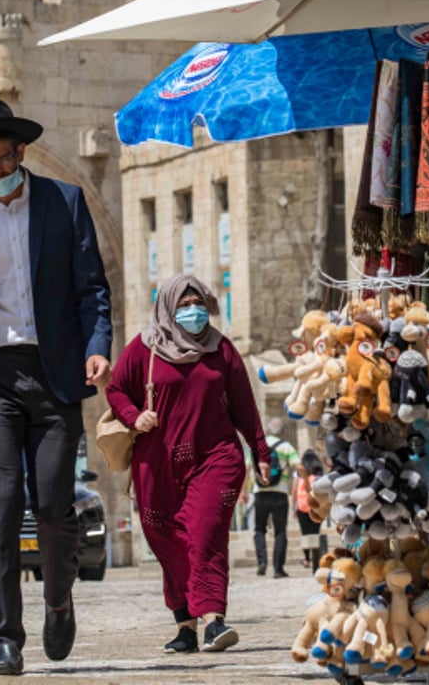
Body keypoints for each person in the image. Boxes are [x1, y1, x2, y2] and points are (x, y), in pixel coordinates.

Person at [0, 97, 113, 676]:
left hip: (55, 374)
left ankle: (58, 601)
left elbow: (93, 289)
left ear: (21, 152)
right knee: (2, 503)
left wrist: (96, 348)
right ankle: (5, 639)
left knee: (55, 504)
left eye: (2, 159)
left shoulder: (64, 202)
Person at [105, 274, 269, 655]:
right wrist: (134, 416)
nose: (193, 311)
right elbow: (115, 390)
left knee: (204, 533)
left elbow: (245, 406)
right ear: (166, 307)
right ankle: (185, 625)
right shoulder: (143, 350)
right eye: (184, 304)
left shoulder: (221, 350)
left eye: (198, 303)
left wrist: (261, 451)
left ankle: (213, 620)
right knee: (165, 536)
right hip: (158, 463)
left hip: (216, 457)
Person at [253, 417, 299, 579]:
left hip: (260, 491)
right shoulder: (285, 446)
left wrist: (243, 492)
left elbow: (246, 467)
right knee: (280, 531)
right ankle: (278, 569)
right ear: (281, 431)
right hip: (280, 492)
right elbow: (298, 464)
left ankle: (262, 561)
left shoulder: (258, 445)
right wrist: (306, 483)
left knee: (259, 529)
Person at [293, 448, 326, 569]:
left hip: (302, 507)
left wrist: (293, 507)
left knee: (305, 534)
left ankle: (308, 559)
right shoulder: (319, 475)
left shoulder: (300, 475)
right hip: (316, 507)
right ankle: (314, 560)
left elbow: (295, 490)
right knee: (315, 533)